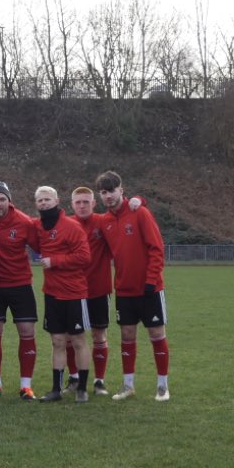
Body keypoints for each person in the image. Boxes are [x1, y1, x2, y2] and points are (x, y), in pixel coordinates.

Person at [95, 170, 171, 402]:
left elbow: (156, 249)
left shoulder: (141, 213)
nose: (108, 196)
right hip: (124, 290)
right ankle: (128, 385)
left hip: (150, 288)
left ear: (122, 190)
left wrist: (151, 281)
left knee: (156, 334)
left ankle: (162, 386)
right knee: (127, 336)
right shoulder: (104, 221)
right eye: (104, 192)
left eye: (112, 191)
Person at [69, 186, 141, 395]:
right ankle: (74, 379)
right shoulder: (67, 223)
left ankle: (99, 381)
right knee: (70, 337)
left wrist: (138, 199)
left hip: (99, 289)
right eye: (78, 202)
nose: (82, 206)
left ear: (94, 203)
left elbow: (124, 214)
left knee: (99, 335)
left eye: (86, 202)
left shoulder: (103, 222)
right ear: (72, 205)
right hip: (72, 291)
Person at [0, 180, 42, 400]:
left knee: (27, 332)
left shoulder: (24, 222)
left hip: (20, 284)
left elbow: (41, 247)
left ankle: (26, 386)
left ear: (9, 201)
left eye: (2, 199)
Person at [29, 185, 92, 403]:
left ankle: (82, 388)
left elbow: (84, 257)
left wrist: (54, 261)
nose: (44, 203)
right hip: (52, 293)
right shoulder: (38, 226)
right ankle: (56, 389)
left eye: (47, 199)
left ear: (57, 201)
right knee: (57, 341)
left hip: (74, 293)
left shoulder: (72, 226)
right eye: (40, 200)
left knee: (78, 340)